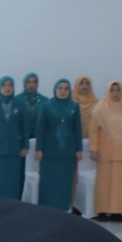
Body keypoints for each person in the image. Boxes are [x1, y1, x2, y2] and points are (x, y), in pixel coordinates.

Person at [90, 81, 122, 221]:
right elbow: (93, 131)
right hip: (105, 152)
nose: (115, 93)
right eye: (112, 90)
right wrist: (93, 149)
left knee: (120, 183)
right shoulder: (100, 109)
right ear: (108, 91)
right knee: (104, 183)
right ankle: (102, 211)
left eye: (118, 90)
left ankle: (117, 212)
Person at [33, 79, 82, 213]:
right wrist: (39, 149)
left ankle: (63, 209)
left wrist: (79, 149)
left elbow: (77, 129)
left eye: (66, 88)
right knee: (49, 182)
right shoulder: (46, 106)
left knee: (64, 182)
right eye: (60, 88)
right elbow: (40, 129)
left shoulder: (74, 106)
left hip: (68, 152)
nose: (63, 91)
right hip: (49, 152)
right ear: (55, 89)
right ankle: (46, 209)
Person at [17, 73, 44, 140]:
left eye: (34, 82)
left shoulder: (44, 101)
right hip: (21, 140)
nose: (31, 84)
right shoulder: (17, 100)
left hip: (39, 139)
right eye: (28, 82)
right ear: (24, 83)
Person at [72, 75, 98, 140]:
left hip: (91, 141)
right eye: (81, 83)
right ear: (76, 85)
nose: (84, 86)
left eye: (87, 84)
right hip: (73, 141)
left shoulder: (96, 104)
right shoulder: (70, 103)